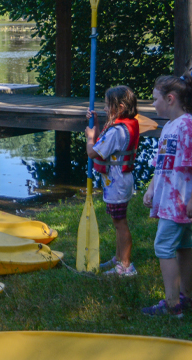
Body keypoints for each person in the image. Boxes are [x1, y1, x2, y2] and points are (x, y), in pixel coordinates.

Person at [141, 73, 192, 317]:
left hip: (180, 202)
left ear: (170, 99)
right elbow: (163, 162)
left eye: (155, 99)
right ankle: (186, 297)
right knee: (183, 246)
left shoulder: (187, 126)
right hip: (170, 201)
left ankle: (173, 305)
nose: (152, 104)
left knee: (163, 246)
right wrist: (152, 187)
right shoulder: (169, 126)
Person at [85, 85, 140, 276]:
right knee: (118, 222)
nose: (105, 108)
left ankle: (125, 266)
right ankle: (118, 258)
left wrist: (89, 138)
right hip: (118, 182)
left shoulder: (117, 131)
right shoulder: (121, 126)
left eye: (109, 105)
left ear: (121, 107)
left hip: (117, 184)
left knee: (120, 224)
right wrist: (98, 126)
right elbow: (104, 144)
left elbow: (93, 151)